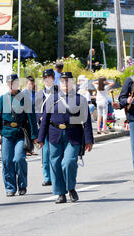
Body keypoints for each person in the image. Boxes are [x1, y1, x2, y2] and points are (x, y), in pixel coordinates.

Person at [38, 72, 94, 204]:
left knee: (68, 162)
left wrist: (89, 139)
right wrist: (40, 138)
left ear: (72, 82)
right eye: (63, 81)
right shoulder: (52, 99)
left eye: (68, 81)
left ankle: (71, 187)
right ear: (59, 83)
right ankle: (60, 193)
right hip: (54, 133)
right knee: (55, 164)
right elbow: (45, 119)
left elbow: (86, 121)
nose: (65, 83)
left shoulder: (80, 99)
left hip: (73, 135)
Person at [0, 74, 38, 197]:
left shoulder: (25, 99)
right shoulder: (3, 99)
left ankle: (22, 185)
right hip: (7, 133)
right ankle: (10, 187)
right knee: (7, 160)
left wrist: (34, 135)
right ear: (7, 84)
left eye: (14, 82)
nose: (12, 85)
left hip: (20, 133)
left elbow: (31, 118)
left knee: (19, 159)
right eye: (10, 83)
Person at [35, 69, 58, 186]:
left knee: (55, 152)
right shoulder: (40, 94)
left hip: (56, 126)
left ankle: (56, 175)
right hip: (44, 126)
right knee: (44, 152)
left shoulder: (59, 92)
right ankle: (47, 176)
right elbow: (37, 110)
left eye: (49, 77)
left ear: (53, 78)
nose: (47, 80)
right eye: (45, 78)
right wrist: (40, 118)